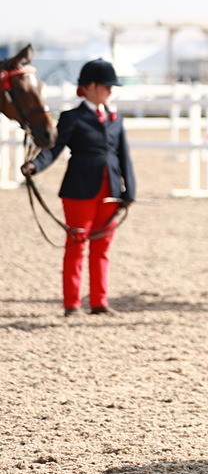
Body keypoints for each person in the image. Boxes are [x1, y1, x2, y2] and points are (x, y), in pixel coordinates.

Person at [22, 59, 136, 316]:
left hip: (111, 190)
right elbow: (53, 149)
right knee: (76, 246)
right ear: (90, 87)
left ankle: (99, 301)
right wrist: (35, 166)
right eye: (106, 85)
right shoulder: (72, 117)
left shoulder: (116, 118)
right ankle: (72, 303)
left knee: (102, 248)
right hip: (79, 190)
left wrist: (130, 190)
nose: (110, 90)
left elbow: (124, 156)